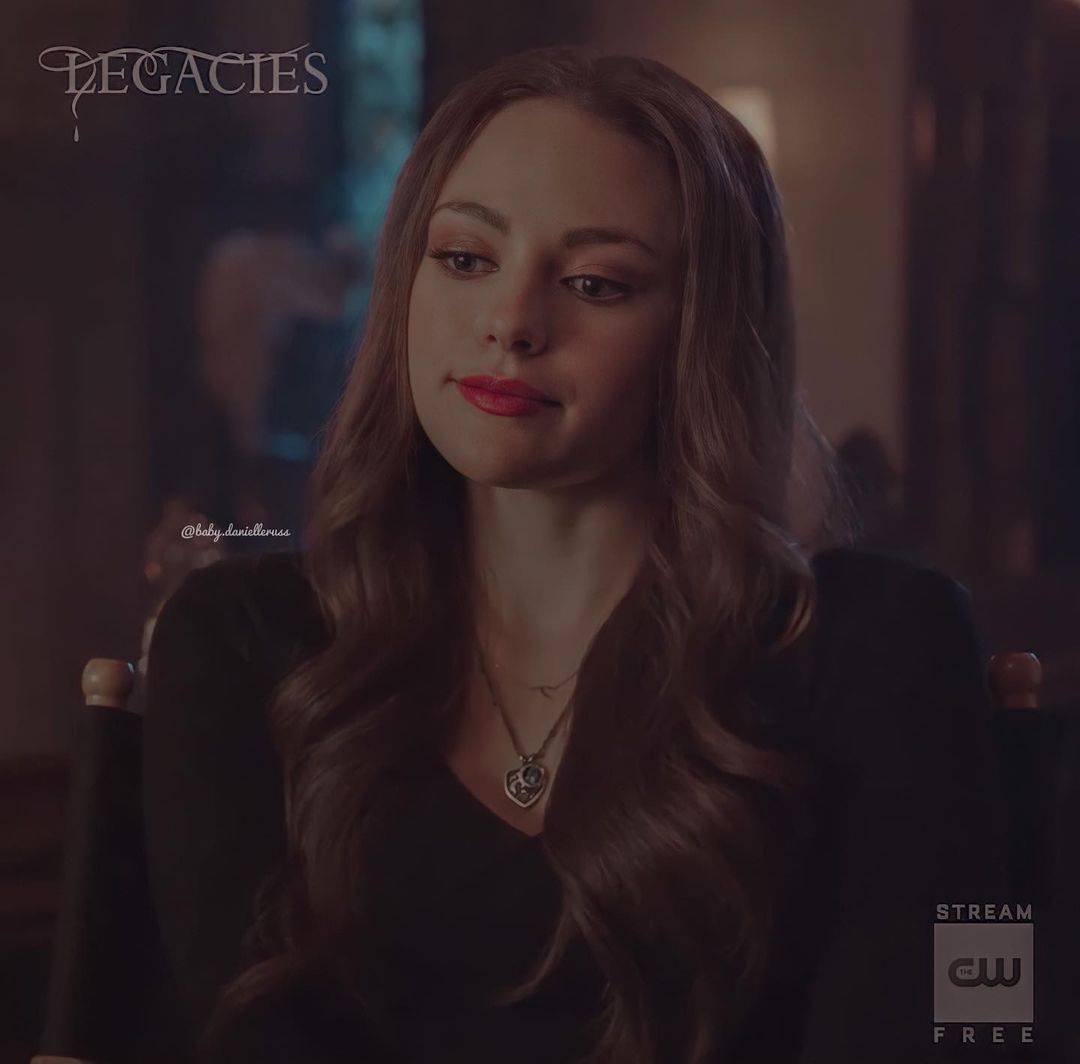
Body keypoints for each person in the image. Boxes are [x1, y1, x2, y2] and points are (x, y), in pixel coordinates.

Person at [143, 46, 1008, 1064]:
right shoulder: (243, 645)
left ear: (700, 333)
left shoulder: (889, 644)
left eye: (597, 282)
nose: (511, 323)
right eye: (465, 259)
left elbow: (981, 1014)